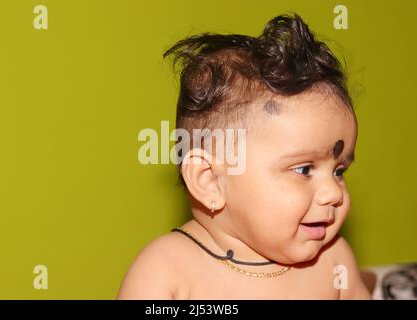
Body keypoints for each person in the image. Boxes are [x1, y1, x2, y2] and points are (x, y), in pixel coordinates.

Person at [118, 13, 371, 299]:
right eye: (303, 169)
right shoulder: (168, 271)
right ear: (210, 180)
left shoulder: (334, 262)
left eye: (339, 171)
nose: (333, 193)